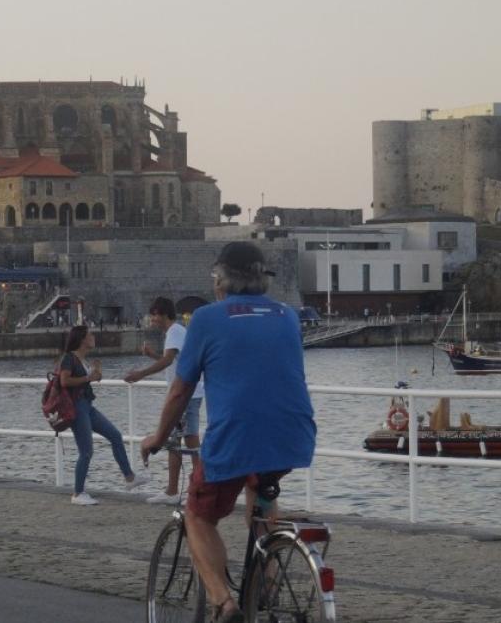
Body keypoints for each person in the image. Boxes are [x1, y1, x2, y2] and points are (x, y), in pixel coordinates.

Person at [140, 242, 316, 623]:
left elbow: (179, 390)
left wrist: (158, 437)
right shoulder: (287, 316)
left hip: (235, 437)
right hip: (293, 435)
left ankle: (225, 604)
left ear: (219, 280)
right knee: (261, 486)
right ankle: (267, 582)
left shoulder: (205, 319)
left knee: (199, 516)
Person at [124, 297, 201, 505]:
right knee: (186, 442)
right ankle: (190, 490)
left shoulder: (174, 331)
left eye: (155, 315)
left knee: (182, 442)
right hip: (191, 394)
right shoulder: (176, 332)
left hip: (185, 396)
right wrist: (152, 356)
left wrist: (140, 374)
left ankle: (181, 491)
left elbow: (168, 360)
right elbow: (171, 361)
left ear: (164, 314)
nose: (153, 320)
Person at [59, 324, 145, 505]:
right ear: (82, 339)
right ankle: (78, 493)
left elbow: (92, 380)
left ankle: (129, 478)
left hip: (87, 406)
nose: (93, 337)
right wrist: (88, 378)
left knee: (115, 435)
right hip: (77, 407)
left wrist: (96, 372)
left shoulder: (83, 360)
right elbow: (64, 381)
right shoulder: (69, 358)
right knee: (86, 451)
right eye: (90, 335)